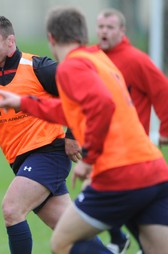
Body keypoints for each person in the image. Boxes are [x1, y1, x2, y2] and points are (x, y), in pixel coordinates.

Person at [0, 6, 168, 254]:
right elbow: (77, 110)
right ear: (85, 34)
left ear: (51, 38)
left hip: (120, 172)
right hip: (155, 169)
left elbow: (101, 105)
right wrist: (23, 102)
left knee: (63, 242)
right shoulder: (100, 59)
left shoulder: (72, 67)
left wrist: (89, 159)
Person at [0, 15, 83, 254]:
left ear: (10, 41)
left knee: (12, 209)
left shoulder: (37, 67)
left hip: (49, 151)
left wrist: (73, 135)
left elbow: (78, 91)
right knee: (69, 231)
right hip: (19, 161)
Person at [94, 8, 168, 254]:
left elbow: (162, 92)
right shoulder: (93, 58)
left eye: (110, 27)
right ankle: (123, 239)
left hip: (133, 150)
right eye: (101, 27)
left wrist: (165, 130)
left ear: (122, 31)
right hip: (103, 145)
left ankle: (131, 242)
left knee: (122, 199)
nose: (104, 32)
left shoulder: (136, 59)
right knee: (109, 197)